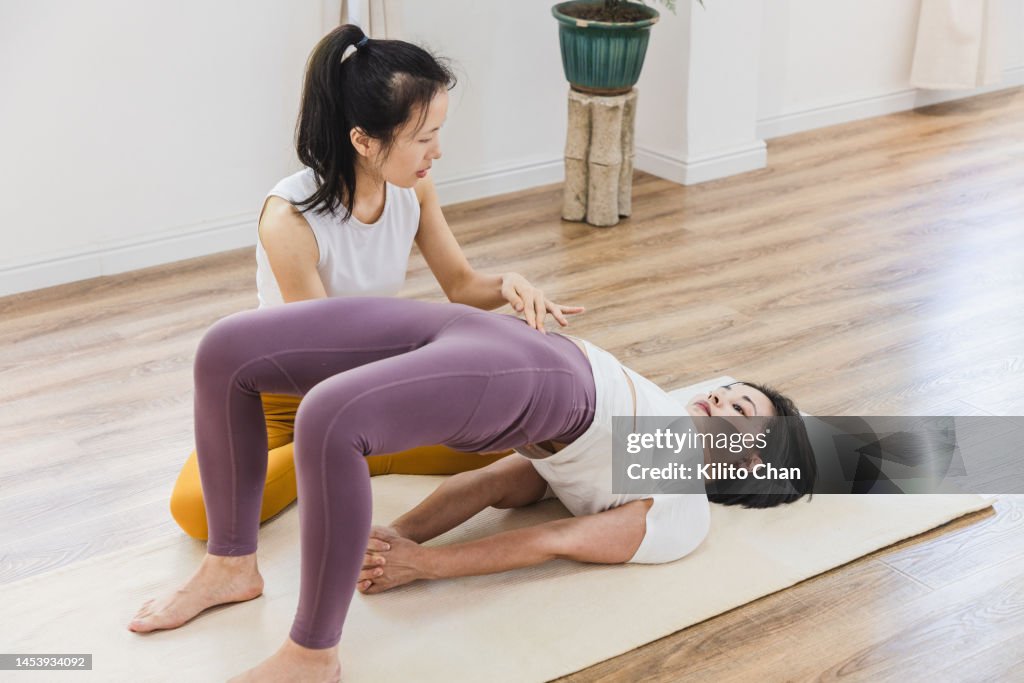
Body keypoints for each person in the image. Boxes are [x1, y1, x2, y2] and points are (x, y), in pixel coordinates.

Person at [128, 296, 816, 682]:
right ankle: (230, 564)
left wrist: (424, 562)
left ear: (746, 467)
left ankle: (313, 655)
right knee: (227, 351)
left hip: (544, 382)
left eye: (738, 413)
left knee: (329, 419)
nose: (719, 401)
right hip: (492, 331)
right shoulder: (655, 427)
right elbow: (491, 484)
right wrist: (404, 535)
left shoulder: (680, 501)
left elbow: (554, 538)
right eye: (726, 391)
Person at [169, 25, 583, 542]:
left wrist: (510, 285)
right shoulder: (290, 221)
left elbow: (461, 284)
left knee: (534, 435)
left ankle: (359, 454)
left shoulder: (413, 189)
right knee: (196, 510)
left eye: (438, 133)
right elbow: (317, 360)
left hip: (373, 384)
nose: (438, 153)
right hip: (288, 397)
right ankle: (348, 452)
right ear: (363, 140)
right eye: (424, 138)